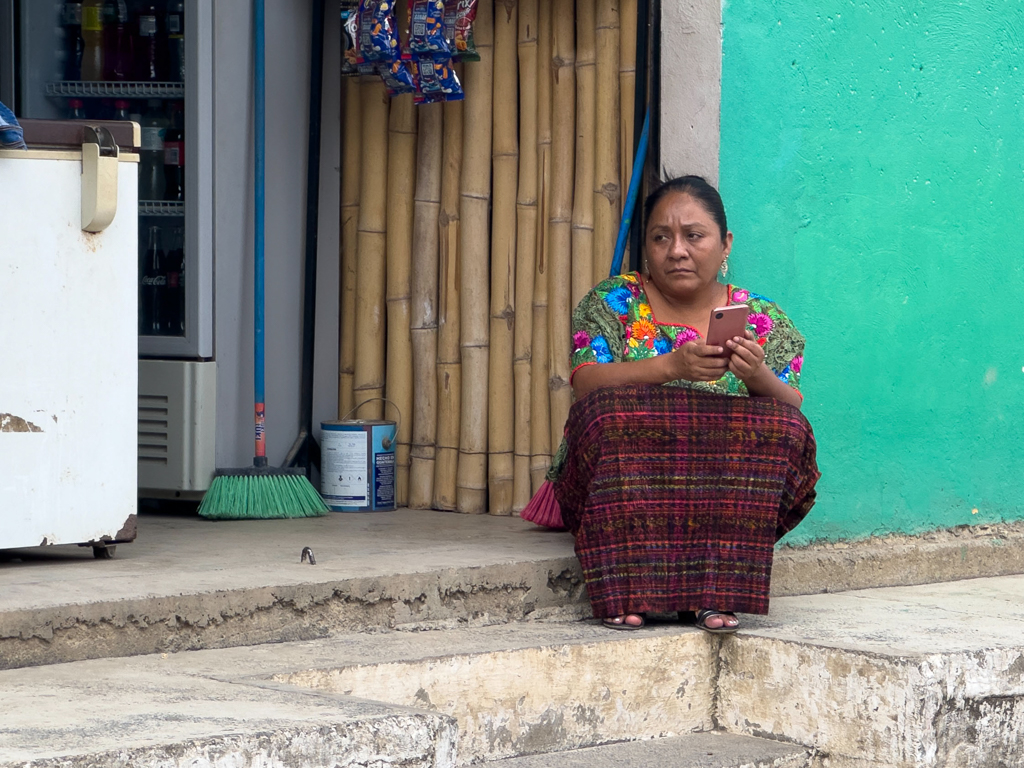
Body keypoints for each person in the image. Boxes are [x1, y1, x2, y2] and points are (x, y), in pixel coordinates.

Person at [524, 175, 819, 633]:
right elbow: (586, 383)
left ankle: (717, 592)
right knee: (604, 414)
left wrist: (755, 373)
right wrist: (671, 367)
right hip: (629, 485)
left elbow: (791, 408)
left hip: (719, 492)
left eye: (694, 236)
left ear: (726, 245)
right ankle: (624, 590)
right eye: (661, 237)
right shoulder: (614, 301)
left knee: (786, 429)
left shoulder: (762, 317)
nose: (676, 250)